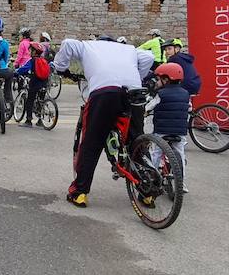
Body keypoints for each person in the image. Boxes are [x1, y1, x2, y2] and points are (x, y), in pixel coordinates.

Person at [53, 36, 157, 207]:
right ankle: (147, 192)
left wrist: (60, 67)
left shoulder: (88, 45)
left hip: (105, 91)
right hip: (134, 91)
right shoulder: (129, 49)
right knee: (137, 141)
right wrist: (136, 77)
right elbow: (148, 57)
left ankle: (79, 192)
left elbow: (67, 44)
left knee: (91, 143)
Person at [147, 62, 191, 192]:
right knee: (181, 154)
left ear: (166, 79)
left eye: (159, 79)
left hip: (162, 130)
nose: (157, 82)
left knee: (155, 153)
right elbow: (189, 108)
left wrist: (144, 112)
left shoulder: (161, 94)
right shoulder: (186, 93)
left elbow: (149, 107)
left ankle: (152, 178)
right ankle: (181, 182)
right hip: (180, 131)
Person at [16, 40, 51, 126]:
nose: (30, 52)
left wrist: (16, 72)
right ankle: (40, 120)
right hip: (44, 82)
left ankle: (28, 120)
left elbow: (23, 69)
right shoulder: (44, 60)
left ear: (34, 52)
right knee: (41, 100)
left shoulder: (32, 61)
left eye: (31, 50)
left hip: (35, 83)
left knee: (30, 100)